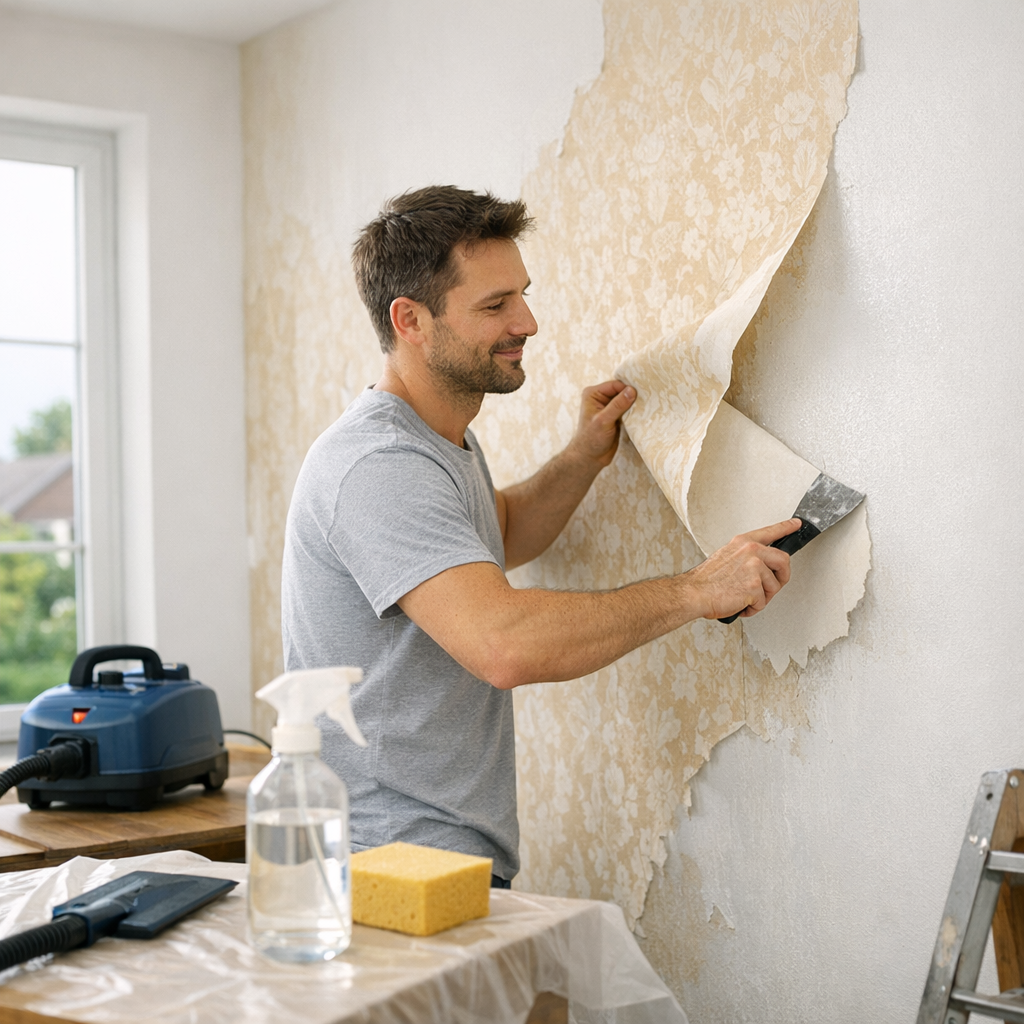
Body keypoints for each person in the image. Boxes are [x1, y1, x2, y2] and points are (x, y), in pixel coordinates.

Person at [280, 185, 798, 887]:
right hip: (384, 865)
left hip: (426, 853)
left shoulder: (441, 444)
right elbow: (504, 644)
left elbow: (506, 531)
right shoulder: (380, 466)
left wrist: (582, 457)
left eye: (520, 294)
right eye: (495, 306)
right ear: (412, 321)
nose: (527, 320)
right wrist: (695, 591)